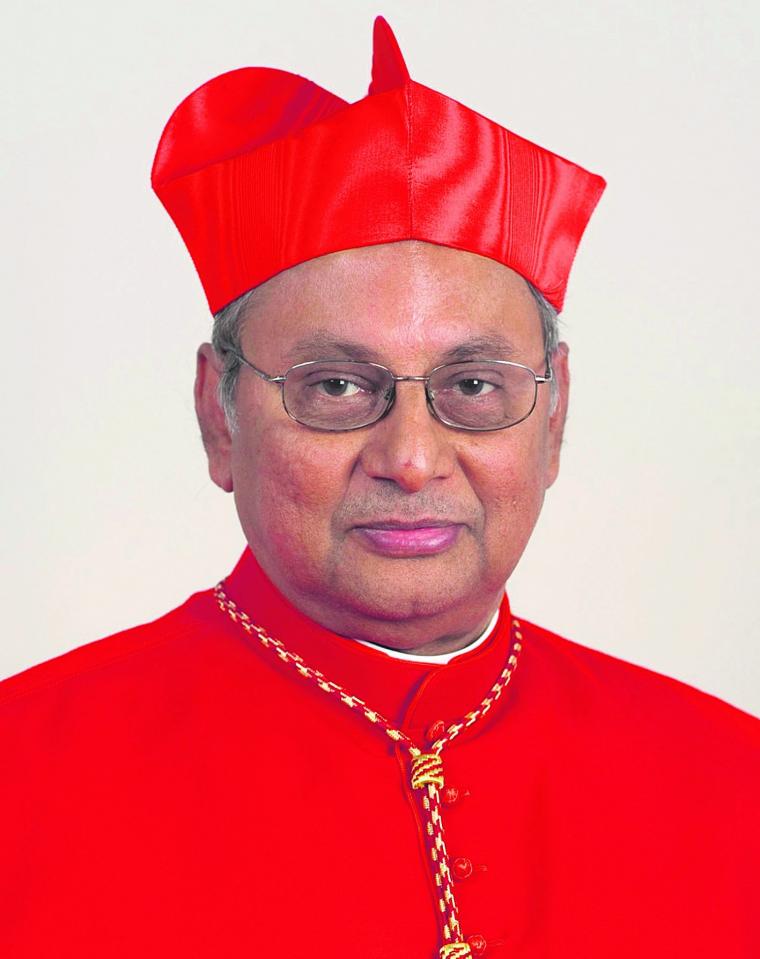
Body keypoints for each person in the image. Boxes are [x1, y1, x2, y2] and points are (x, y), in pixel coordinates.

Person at [1, 15, 758, 959]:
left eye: (472, 386)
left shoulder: (733, 779)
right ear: (217, 413)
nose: (411, 457)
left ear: (554, 415)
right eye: (335, 387)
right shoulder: (21, 777)